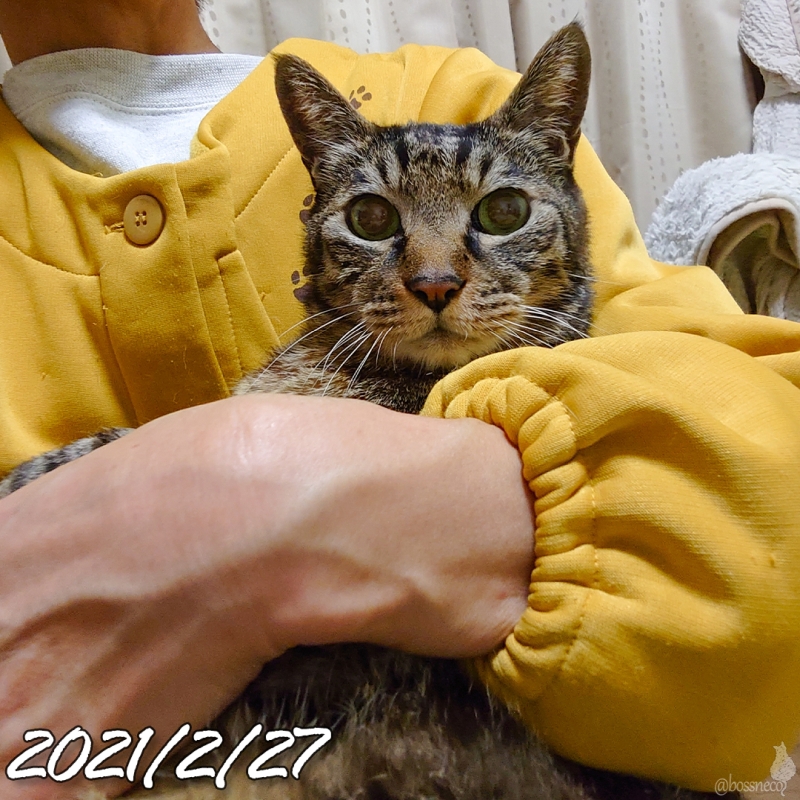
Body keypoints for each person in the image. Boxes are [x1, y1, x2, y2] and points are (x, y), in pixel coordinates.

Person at [1, 1, 800, 799]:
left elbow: (769, 480)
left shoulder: (452, 89)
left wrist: (262, 510)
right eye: (373, 219)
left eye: (502, 213)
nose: (435, 276)